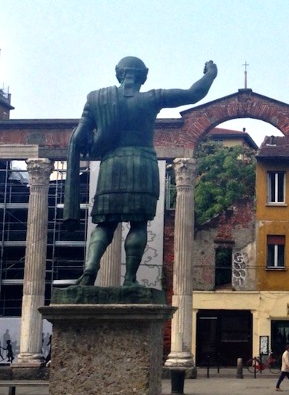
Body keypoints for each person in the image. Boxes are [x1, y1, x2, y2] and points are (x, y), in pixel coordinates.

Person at [64, 57, 218, 286]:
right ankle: (130, 280)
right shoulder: (151, 98)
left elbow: (79, 137)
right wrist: (210, 74)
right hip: (142, 163)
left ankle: (90, 269)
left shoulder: (95, 99)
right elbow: (193, 94)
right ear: (143, 76)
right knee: (139, 223)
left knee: (105, 224)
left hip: (112, 164)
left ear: (119, 74)